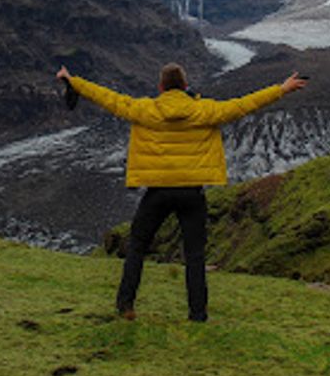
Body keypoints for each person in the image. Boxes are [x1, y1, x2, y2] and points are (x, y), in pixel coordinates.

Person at [56, 62, 307, 322]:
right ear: (186, 86)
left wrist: (73, 81)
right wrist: (282, 89)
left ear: (161, 87)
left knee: (137, 247)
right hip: (192, 194)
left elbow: (107, 97)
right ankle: (197, 314)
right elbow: (245, 104)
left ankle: (126, 306)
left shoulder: (144, 110)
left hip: (158, 193)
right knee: (195, 256)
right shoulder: (205, 110)